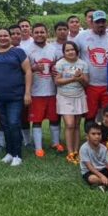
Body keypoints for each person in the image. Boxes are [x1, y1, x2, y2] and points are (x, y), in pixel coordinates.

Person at [0, 27, 32, 167]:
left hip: (15, 95)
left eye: (5, 35)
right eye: (0, 35)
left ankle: (17, 154)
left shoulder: (18, 52)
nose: (3, 38)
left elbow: (28, 71)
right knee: (5, 124)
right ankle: (9, 152)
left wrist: (27, 92)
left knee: (14, 124)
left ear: (10, 37)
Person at [74, 10, 108, 123]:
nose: (101, 24)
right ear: (92, 22)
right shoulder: (81, 37)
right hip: (90, 84)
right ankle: (91, 138)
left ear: (107, 22)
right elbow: (73, 57)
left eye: (103, 21)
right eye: (97, 22)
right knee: (90, 115)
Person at [26, 23, 62, 157]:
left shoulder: (54, 50)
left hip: (52, 91)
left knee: (54, 118)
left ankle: (55, 142)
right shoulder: (27, 50)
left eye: (42, 32)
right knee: (37, 120)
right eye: (36, 32)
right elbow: (23, 70)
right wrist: (34, 68)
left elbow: (59, 68)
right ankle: (38, 147)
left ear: (47, 33)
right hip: (36, 92)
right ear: (32, 34)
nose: (39, 34)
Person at [54, 41, 88, 164]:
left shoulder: (83, 64)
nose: (70, 52)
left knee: (77, 125)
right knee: (69, 124)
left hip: (79, 96)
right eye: (67, 50)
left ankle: (76, 151)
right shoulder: (60, 64)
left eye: (72, 49)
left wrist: (81, 78)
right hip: (64, 97)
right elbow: (57, 81)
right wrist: (73, 78)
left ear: (76, 51)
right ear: (63, 53)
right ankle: (70, 152)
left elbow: (86, 83)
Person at [80, 123, 108, 191]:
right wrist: (102, 176)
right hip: (90, 171)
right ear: (87, 136)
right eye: (93, 134)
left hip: (103, 169)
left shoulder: (103, 148)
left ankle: (106, 184)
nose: (97, 136)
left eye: (99, 134)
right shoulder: (84, 148)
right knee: (92, 179)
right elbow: (90, 167)